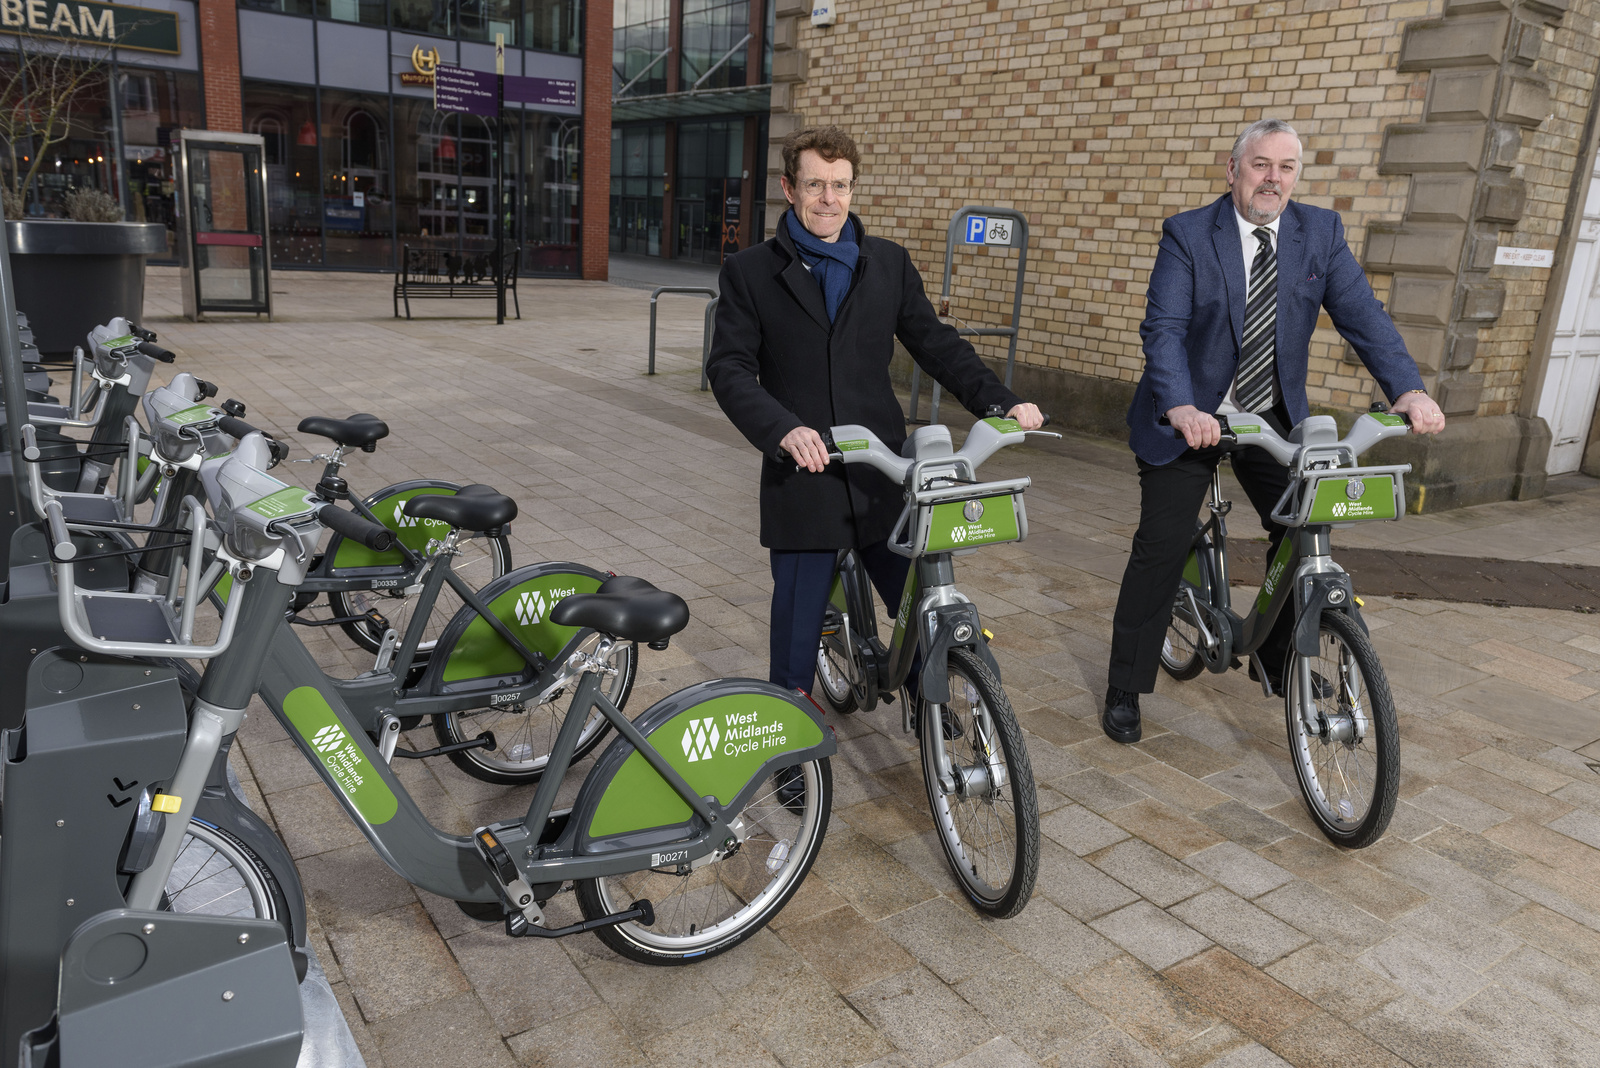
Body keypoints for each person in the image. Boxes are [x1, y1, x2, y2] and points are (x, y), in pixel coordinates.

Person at [1102, 117, 1447, 744]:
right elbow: (1165, 329)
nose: (1273, 179)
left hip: (1269, 416)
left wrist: (1409, 389)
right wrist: (1181, 406)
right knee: (1162, 540)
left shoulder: (1320, 232)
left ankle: (1278, 655)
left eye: (1286, 168)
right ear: (1233, 171)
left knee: (1301, 526)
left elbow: (1362, 314)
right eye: (1261, 165)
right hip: (1190, 420)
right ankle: (1126, 683)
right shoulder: (1188, 234)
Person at [706, 125, 1043, 699]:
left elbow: (936, 344)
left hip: (882, 476)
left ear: (854, 190)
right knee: (793, 649)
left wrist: (1002, 401)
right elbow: (729, 369)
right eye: (815, 185)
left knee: (921, 614)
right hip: (804, 477)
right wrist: (783, 429)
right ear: (790, 189)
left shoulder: (886, 263)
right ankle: (790, 761)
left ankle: (934, 719)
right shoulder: (750, 273)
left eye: (840, 185)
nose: (829, 199)